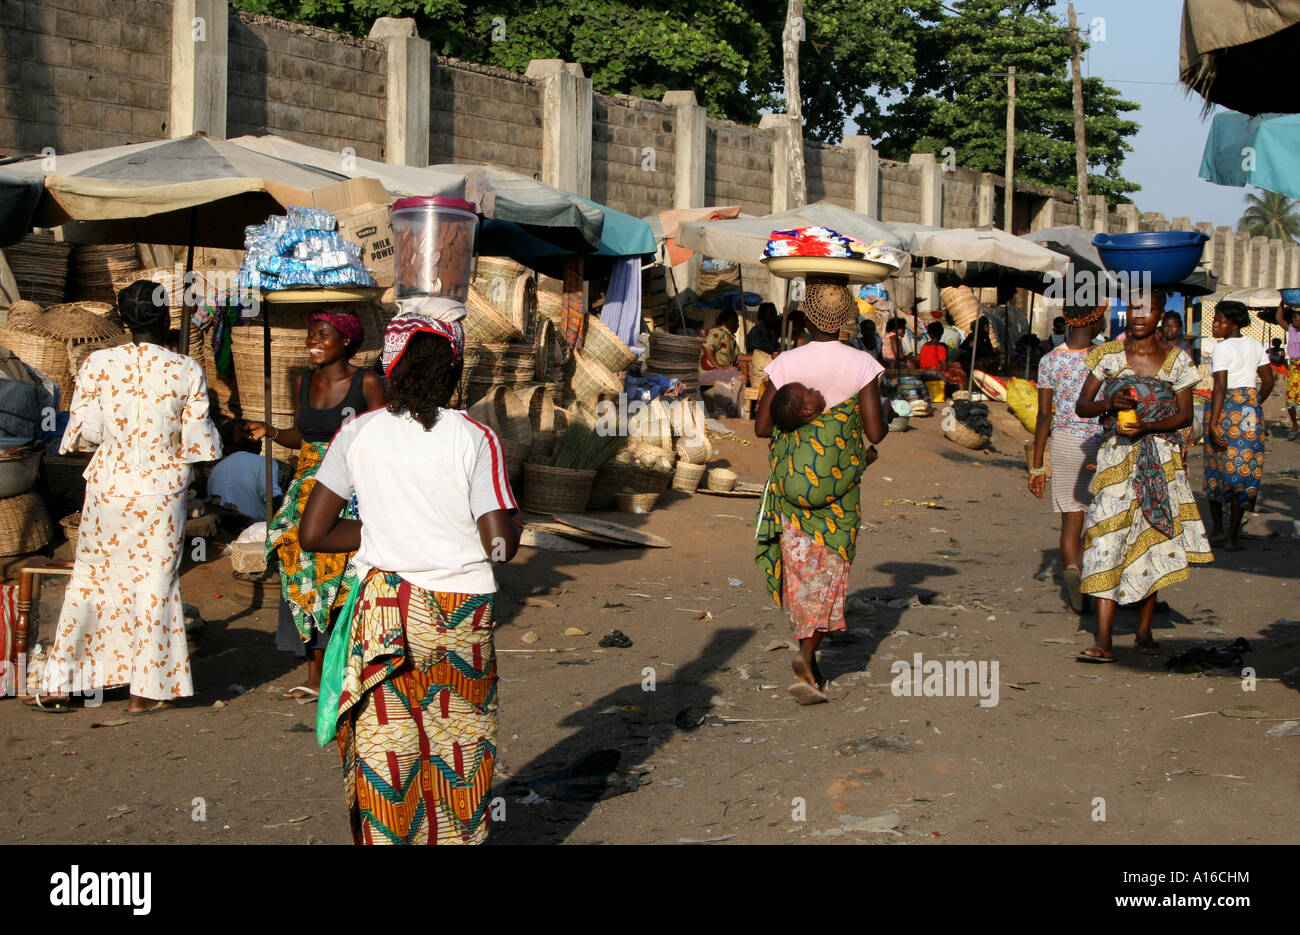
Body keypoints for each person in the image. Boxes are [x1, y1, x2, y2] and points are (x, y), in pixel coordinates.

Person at [300, 312, 521, 845]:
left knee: (385, 749)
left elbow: (313, 532)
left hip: (384, 609)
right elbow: (501, 546)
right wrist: (512, 522)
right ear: (453, 371)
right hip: (459, 611)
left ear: (391, 367)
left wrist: (383, 528)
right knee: (459, 742)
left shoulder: (357, 433)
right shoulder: (475, 437)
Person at [36, 281, 221, 714]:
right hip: (161, 492)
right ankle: (144, 692)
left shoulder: (96, 363)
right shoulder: (186, 369)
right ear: (166, 319)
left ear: (121, 321)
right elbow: (199, 445)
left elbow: (87, 433)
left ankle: (65, 682)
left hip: (108, 489)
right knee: (154, 584)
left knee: (94, 578)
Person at [755, 281, 888, 705]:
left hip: (791, 487)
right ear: (847, 316)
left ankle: (806, 651)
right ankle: (808, 654)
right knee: (827, 568)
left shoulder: (786, 362)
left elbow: (761, 427)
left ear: (807, 317)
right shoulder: (862, 364)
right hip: (839, 494)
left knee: (799, 569)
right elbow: (875, 432)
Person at [244, 306, 386, 701]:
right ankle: (314, 672)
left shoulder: (369, 383)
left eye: (323, 335)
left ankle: (349, 665)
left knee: (341, 572)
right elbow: (305, 435)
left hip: (352, 486)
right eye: (311, 335)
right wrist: (270, 431)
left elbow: (383, 439)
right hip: (308, 485)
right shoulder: (304, 381)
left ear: (346, 342)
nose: (313, 343)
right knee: (297, 562)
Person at [1072, 289, 1212, 663]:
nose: (1138, 316)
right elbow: (1082, 405)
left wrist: (1148, 426)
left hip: (1160, 462)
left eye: (1145, 310)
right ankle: (1103, 640)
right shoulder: (1107, 356)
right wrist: (1108, 404)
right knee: (1105, 541)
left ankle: (1144, 631)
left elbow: (1184, 415)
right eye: (1132, 309)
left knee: (1151, 539)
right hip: (1116, 461)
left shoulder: (1178, 361)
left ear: (1159, 315)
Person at [1028, 301, 1107, 613]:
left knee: (1071, 520)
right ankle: (1089, 572)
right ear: (1095, 321)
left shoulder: (1049, 360)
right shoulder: (1105, 357)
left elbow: (1044, 416)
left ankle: (1073, 572)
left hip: (1063, 443)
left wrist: (1037, 466)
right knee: (1100, 517)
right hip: (1100, 442)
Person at [1204, 300, 1273, 550]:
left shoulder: (1222, 349)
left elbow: (1220, 387)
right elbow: (1267, 381)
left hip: (1223, 410)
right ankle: (1233, 536)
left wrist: (1213, 424)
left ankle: (1219, 531)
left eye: (1220, 320)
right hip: (1249, 413)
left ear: (1234, 324)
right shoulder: (1256, 346)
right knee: (1244, 472)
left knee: (1216, 470)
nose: (1215, 325)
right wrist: (1253, 404)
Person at [1284, 306, 1300, 440]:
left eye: (1296, 319)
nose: (1294, 321)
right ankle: (1294, 425)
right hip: (1294, 369)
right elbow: (1278, 318)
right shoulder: (1292, 330)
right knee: (1290, 401)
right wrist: (1281, 302)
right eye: (1294, 319)